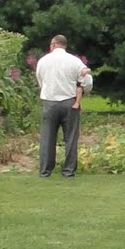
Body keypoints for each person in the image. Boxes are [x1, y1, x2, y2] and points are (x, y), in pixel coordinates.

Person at [35, 34, 92, 177]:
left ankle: (45, 171)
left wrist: (47, 91)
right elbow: (87, 80)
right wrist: (83, 91)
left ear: (53, 45)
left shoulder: (43, 61)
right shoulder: (74, 61)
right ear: (64, 45)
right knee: (71, 138)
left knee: (47, 137)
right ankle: (68, 170)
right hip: (70, 101)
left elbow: (40, 79)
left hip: (50, 101)